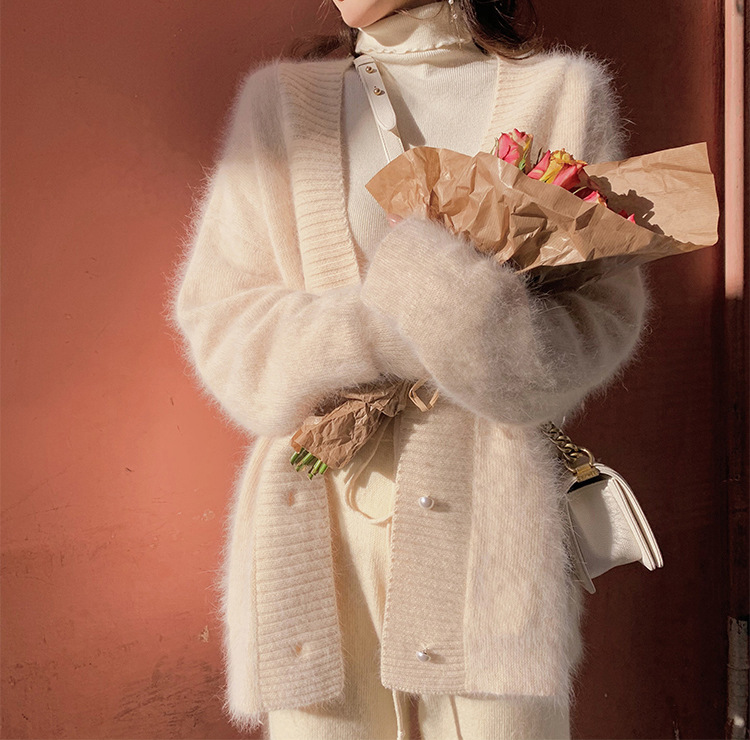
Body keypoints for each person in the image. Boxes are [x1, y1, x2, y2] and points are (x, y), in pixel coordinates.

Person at [168, 1, 651, 738]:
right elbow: (224, 329)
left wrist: (457, 311)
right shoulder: (279, 105)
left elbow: (599, 326)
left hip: (491, 528)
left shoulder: (562, 93)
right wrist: (394, 324)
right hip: (319, 524)